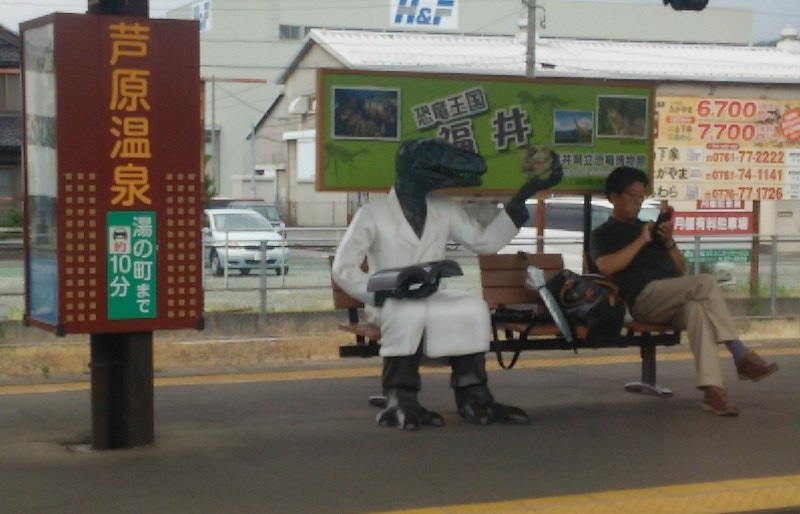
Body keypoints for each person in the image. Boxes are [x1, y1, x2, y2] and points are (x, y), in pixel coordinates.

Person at [332, 137, 562, 429]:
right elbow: (344, 267)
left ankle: (474, 396)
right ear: (412, 169)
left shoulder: (444, 207)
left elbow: (485, 242)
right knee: (407, 312)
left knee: (473, 308)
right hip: (389, 300)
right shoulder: (373, 213)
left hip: (431, 295)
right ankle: (400, 398)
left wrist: (525, 194)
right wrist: (378, 294)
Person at [590, 166, 778, 416]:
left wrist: (668, 241)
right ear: (614, 197)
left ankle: (713, 391)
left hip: (671, 296)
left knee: (698, 309)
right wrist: (641, 241)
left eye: (641, 197)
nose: (638, 202)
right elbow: (606, 266)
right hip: (643, 297)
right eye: (632, 196)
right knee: (707, 282)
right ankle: (740, 353)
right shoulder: (603, 233)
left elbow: (680, 268)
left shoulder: (649, 228)